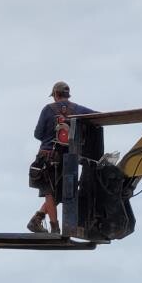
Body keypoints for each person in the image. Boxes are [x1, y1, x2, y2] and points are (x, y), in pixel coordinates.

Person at [27, 81, 94, 234]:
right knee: (61, 192)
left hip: (47, 156)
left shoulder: (48, 109)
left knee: (49, 192)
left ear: (56, 94)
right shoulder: (78, 109)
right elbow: (98, 116)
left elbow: (37, 134)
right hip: (68, 159)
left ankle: (55, 228)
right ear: (67, 95)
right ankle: (37, 218)